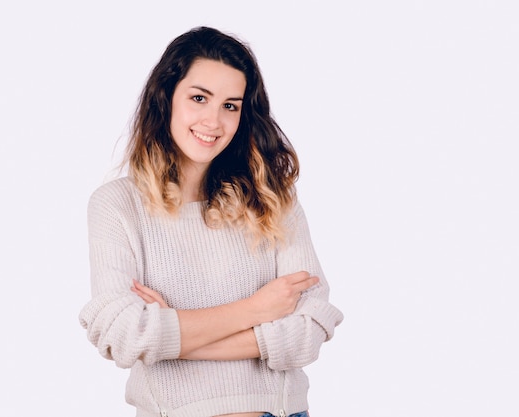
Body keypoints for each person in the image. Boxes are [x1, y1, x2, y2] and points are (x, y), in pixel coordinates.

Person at [79, 26, 343, 417]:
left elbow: (310, 329)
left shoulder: (273, 200)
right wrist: (256, 309)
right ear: (166, 98)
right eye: (199, 98)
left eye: (230, 105)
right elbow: (122, 335)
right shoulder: (117, 206)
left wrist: (172, 332)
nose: (214, 121)